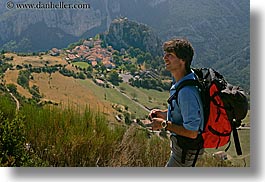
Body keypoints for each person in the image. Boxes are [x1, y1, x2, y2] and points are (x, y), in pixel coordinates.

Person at [148, 38, 204, 167]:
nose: (165, 58)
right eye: (165, 54)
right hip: (182, 149)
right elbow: (185, 112)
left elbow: (192, 132)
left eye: (170, 55)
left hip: (185, 152)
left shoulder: (187, 92)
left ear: (182, 60)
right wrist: (164, 114)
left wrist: (163, 124)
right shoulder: (182, 80)